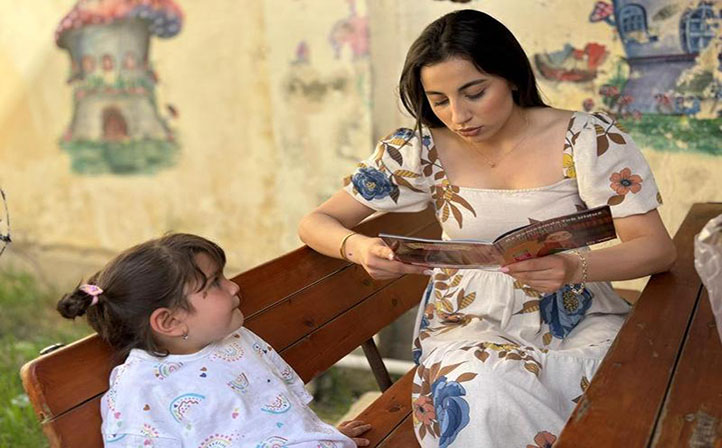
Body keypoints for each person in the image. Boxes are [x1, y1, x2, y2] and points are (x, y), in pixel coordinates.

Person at [298, 9, 676, 448]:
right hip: (467, 324)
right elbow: (315, 223)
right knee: (481, 388)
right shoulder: (418, 150)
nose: (459, 115)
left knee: (613, 383)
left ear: (511, 77)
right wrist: (360, 249)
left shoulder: (587, 138)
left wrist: (574, 268)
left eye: (474, 93)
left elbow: (656, 249)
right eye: (439, 100)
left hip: (579, 316)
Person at [56, 233, 371, 448]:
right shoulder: (143, 390)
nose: (234, 287)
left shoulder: (233, 339)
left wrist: (316, 435)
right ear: (170, 322)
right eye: (215, 283)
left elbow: (271, 418)